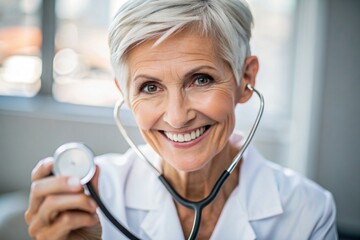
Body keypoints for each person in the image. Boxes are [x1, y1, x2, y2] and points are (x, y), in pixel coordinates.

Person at [24, 0, 338, 239]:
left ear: (245, 78)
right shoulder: (93, 198)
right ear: (124, 94)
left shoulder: (308, 211)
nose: (176, 117)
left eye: (200, 79)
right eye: (150, 87)